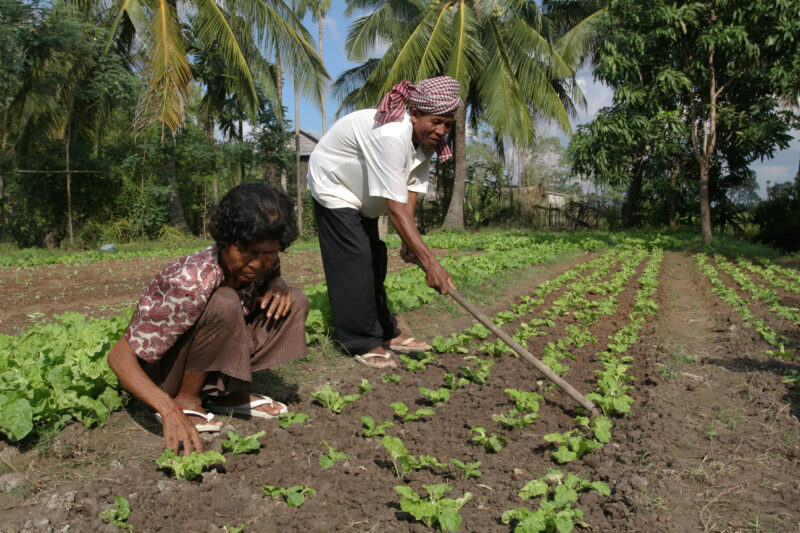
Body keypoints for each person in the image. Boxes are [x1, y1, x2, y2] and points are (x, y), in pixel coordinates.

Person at [107, 184, 309, 454]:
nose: (257, 264)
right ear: (225, 240)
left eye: (268, 253)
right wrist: (168, 411)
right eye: (246, 251)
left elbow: (268, 270)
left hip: (210, 352)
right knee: (224, 302)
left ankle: (227, 395)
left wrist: (278, 282)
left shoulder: (263, 262)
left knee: (294, 300)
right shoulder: (191, 279)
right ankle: (186, 400)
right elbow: (118, 357)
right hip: (162, 371)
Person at [308, 75, 460, 368]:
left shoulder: (426, 143)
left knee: (376, 256)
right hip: (334, 184)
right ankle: (361, 340)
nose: (441, 131)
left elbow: (411, 190)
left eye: (448, 125)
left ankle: (386, 331)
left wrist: (409, 243)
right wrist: (431, 264)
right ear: (415, 114)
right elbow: (395, 209)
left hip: (361, 192)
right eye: (436, 121)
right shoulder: (392, 136)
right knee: (355, 259)